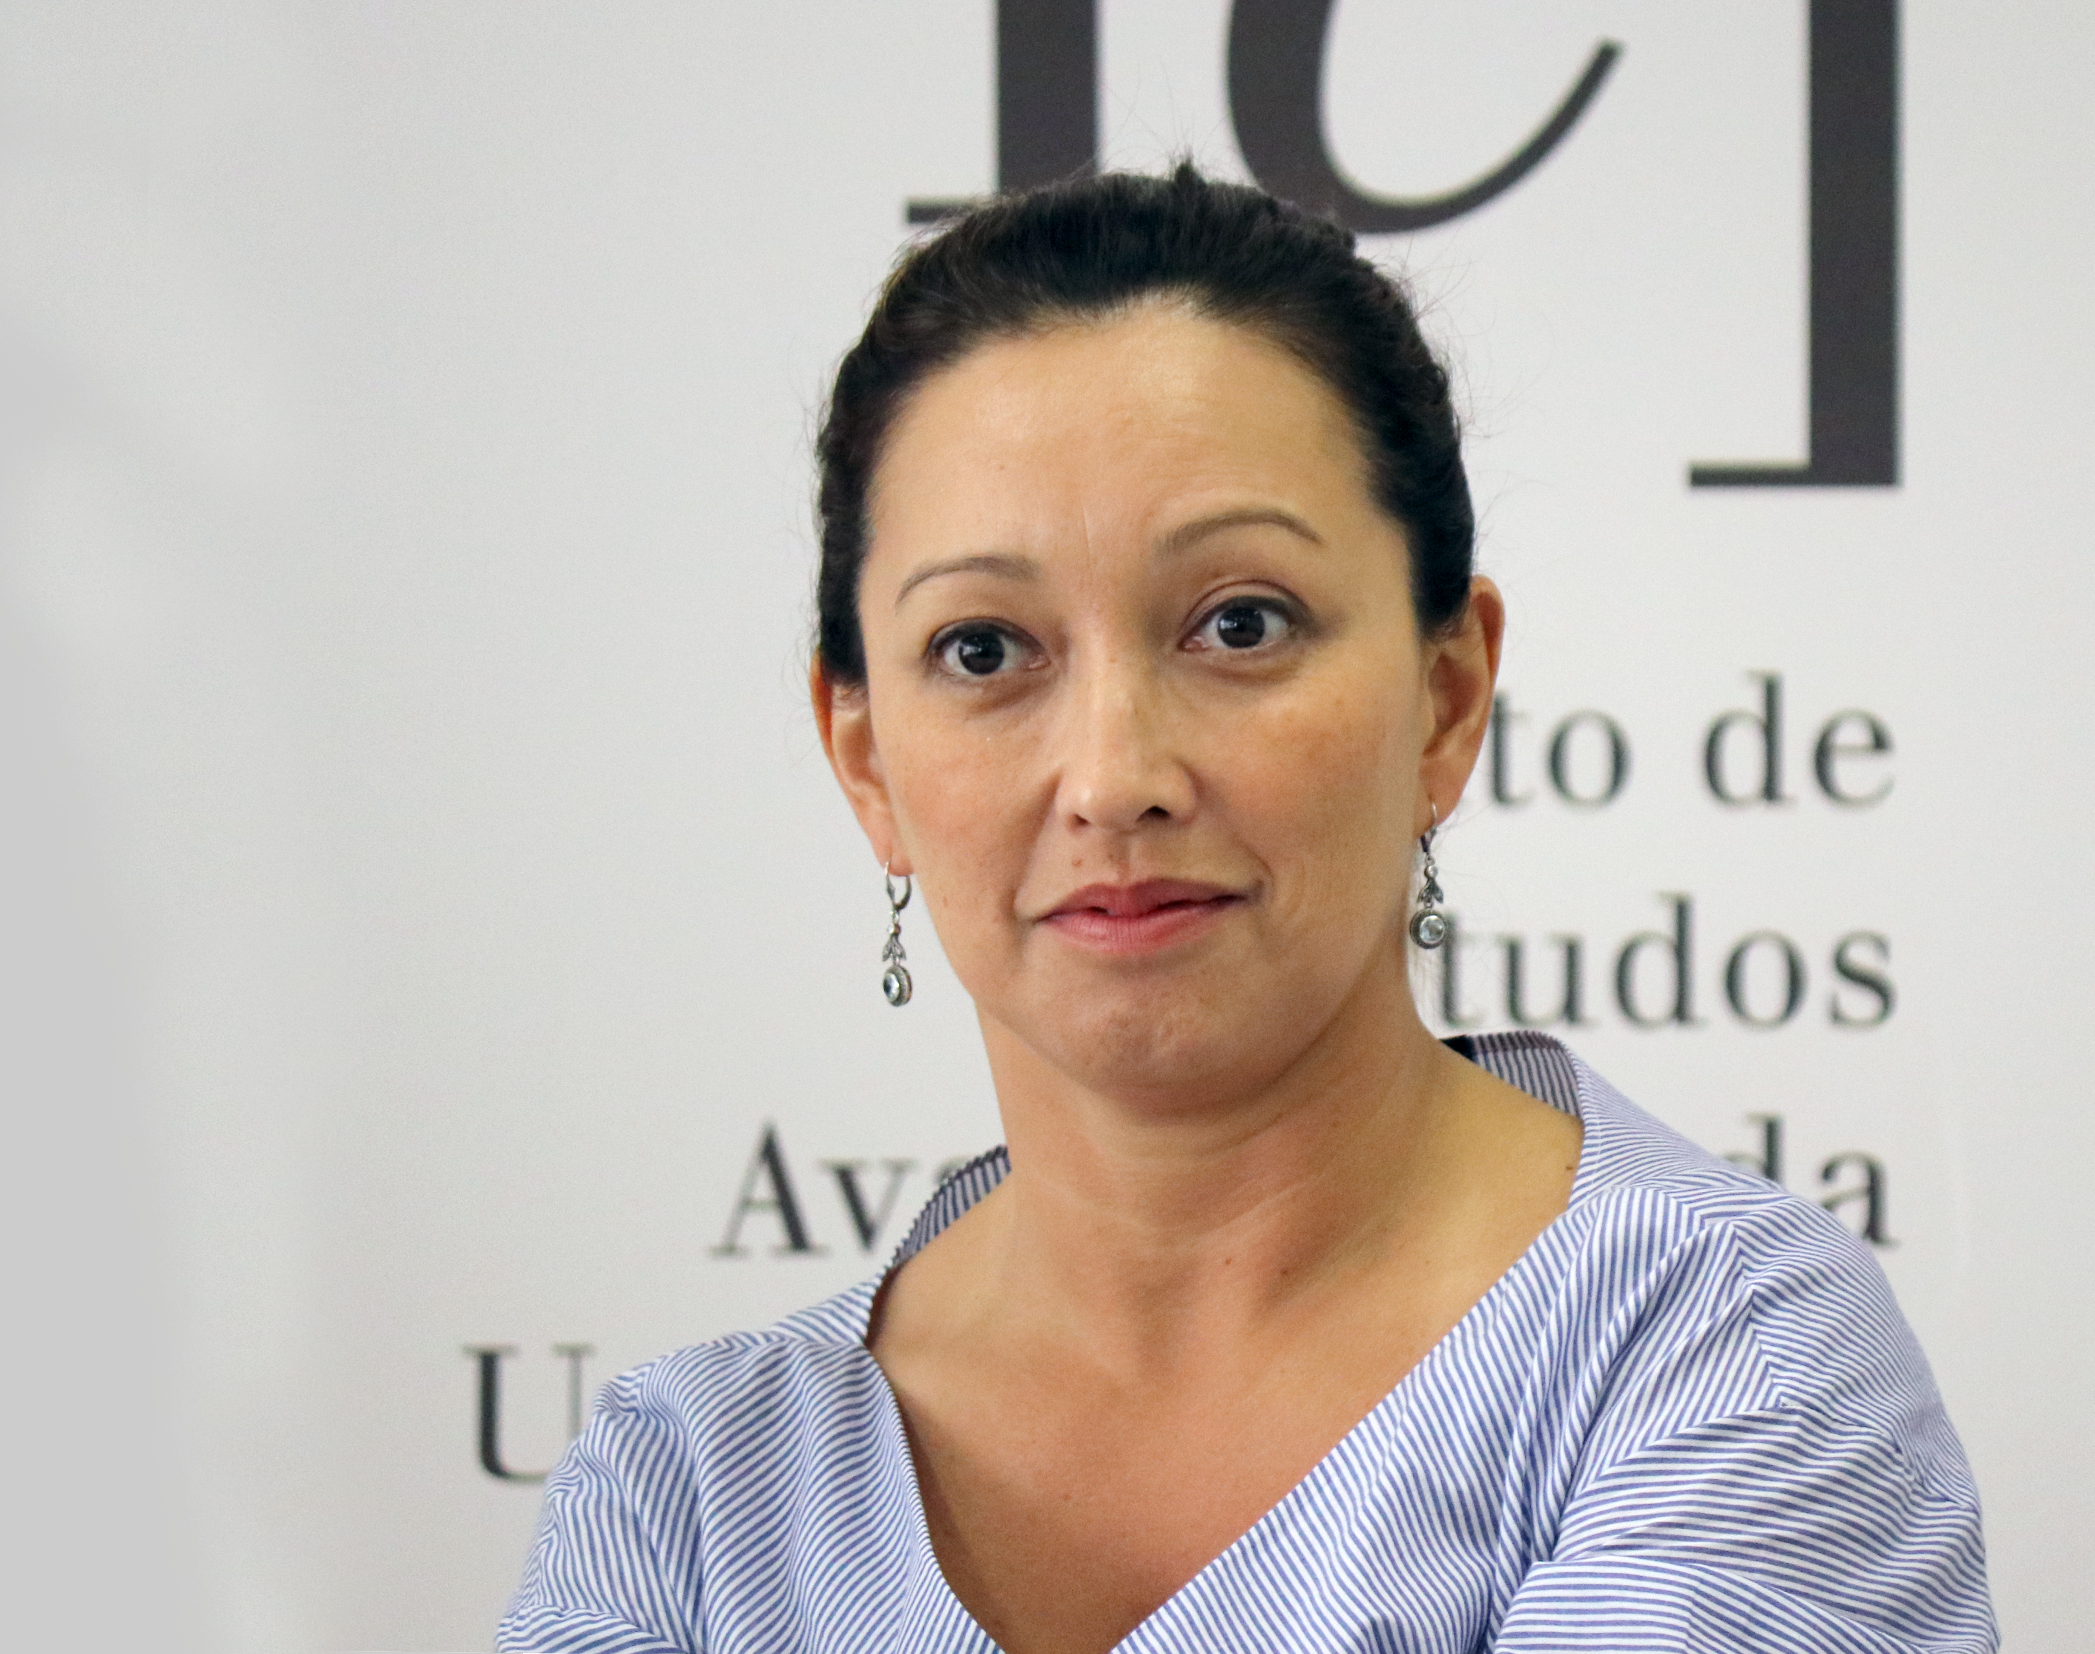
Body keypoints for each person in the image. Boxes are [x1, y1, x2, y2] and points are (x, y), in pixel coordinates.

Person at [499, 164, 1995, 1654]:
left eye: (1240, 623)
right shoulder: (689, 1492)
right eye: (983, 650)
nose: (1115, 780)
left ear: (1446, 697)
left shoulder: (1728, 1358)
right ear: (867, 760)